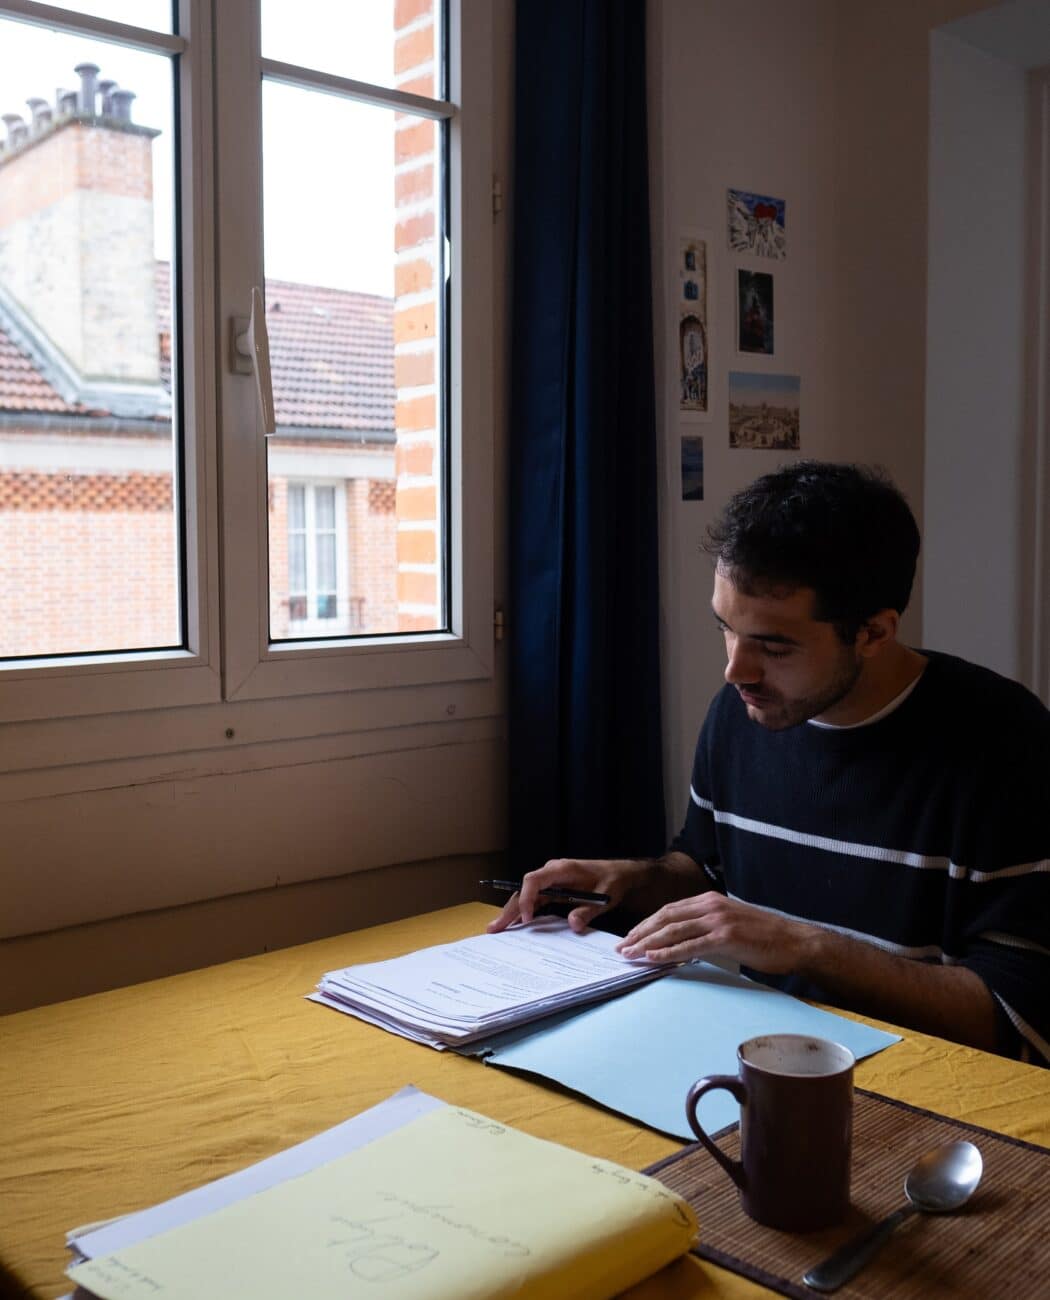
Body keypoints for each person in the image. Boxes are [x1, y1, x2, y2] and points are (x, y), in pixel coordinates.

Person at [490, 461, 1050, 1065]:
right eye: (727, 629)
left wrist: (805, 946)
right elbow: (708, 869)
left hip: (925, 1084)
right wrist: (636, 881)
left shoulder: (1005, 743)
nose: (737, 670)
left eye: (774, 646)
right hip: (767, 1063)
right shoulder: (741, 714)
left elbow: (1014, 1015)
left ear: (874, 631)